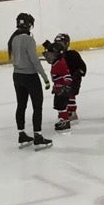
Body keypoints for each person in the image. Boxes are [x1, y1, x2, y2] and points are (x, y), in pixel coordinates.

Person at [9, 12, 52, 148]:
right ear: (29, 25)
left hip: (17, 76)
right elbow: (34, 61)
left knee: (21, 105)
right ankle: (38, 136)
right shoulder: (28, 40)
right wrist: (45, 78)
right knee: (37, 106)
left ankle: (21, 135)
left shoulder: (13, 39)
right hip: (30, 76)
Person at [45, 40, 77, 132]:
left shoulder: (60, 63)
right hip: (58, 89)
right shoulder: (56, 62)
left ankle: (65, 121)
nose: (48, 57)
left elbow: (67, 75)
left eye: (51, 55)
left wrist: (65, 86)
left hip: (62, 90)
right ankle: (63, 119)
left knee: (61, 106)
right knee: (59, 106)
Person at [54, 32, 86, 125]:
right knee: (61, 95)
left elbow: (83, 68)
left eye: (61, 44)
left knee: (69, 93)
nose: (59, 46)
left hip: (73, 80)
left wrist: (77, 74)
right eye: (57, 44)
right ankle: (64, 110)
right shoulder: (57, 56)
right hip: (63, 80)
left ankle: (71, 111)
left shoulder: (73, 54)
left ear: (67, 44)